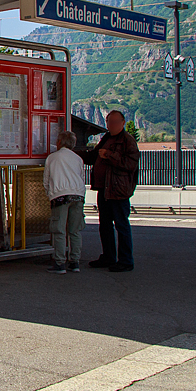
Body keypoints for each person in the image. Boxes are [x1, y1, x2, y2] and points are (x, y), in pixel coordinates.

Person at [81, 110, 140, 271]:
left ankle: (126, 261)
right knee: (105, 225)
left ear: (122, 123)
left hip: (118, 190)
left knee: (121, 225)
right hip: (104, 189)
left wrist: (110, 155)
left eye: (114, 122)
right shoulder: (106, 137)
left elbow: (131, 164)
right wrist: (72, 153)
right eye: (109, 121)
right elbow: (93, 157)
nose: (111, 125)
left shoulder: (128, 141)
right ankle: (108, 256)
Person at [42, 130, 87, 273]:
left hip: (60, 196)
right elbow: (82, 177)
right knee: (75, 231)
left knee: (59, 230)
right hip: (78, 195)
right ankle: (75, 262)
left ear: (59, 142)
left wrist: (50, 194)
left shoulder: (52, 158)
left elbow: (46, 180)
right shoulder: (78, 159)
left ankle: (60, 262)